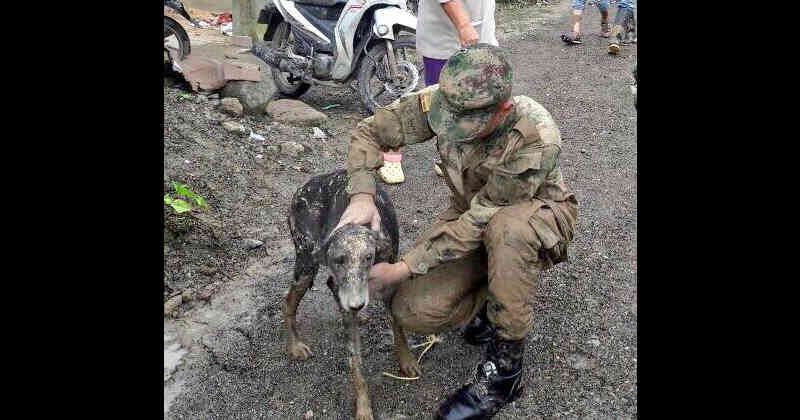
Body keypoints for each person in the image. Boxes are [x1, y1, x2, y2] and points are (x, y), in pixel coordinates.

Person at [336, 45, 579, 419]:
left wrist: (404, 267)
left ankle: (504, 373)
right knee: (410, 310)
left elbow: (482, 219)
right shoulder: (444, 101)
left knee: (508, 232)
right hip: (472, 213)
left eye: (464, 123)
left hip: (533, 219)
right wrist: (363, 194)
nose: (450, 127)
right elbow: (370, 132)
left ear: (502, 110)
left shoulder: (533, 136)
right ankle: (488, 297)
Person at [378, 0, 499, 183]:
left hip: (481, 31)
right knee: (435, 102)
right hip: (446, 38)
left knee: (481, 99)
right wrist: (464, 25)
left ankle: (453, 156)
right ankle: (390, 151)